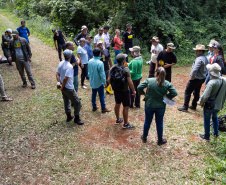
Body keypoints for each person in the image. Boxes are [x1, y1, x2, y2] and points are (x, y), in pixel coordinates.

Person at [138, 67, 177, 145]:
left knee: (147, 121)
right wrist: (166, 97)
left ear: (156, 73)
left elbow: (139, 87)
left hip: (149, 104)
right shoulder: (167, 83)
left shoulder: (149, 80)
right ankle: (160, 140)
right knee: (159, 123)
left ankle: (144, 137)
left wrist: (144, 94)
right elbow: (174, 93)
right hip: (161, 106)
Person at [108, 53, 136, 129]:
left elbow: (109, 80)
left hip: (116, 90)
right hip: (124, 90)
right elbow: (130, 82)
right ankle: (126, 124)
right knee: (126, 106)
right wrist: (133, 91)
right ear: (123, 60)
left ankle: (118, 119)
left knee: (117, 103)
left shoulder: (112, 68)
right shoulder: (125, 69)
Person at [199, 63, 226, 140]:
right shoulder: (224, 80)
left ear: (211, 73)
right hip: (218, 105)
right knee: (215, 118)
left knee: (207, 120)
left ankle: (206, 136)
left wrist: (200, 103)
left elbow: (205, 96)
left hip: (209, 105)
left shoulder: (211, 83)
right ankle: (216, 133)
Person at [56, 49, 84, 125]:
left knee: (66, 101)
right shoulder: (69, 66)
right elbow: (66, 78)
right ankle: (76, 118)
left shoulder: (61, 63)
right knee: (77, 102)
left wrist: (59, 84)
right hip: (68, 88)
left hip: (63, 87)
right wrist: (62, 86)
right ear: (71, 56)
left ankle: (68, 116)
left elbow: (57, 74)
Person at [178, 44, 208, 112]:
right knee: (197, 91)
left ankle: (185, 107)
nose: (196, 52)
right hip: (202, 79)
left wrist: (191, 77)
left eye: (197, 51)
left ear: (201, 51)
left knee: (187, 91)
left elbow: (195, 69)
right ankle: (194, 105)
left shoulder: (199, 59)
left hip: (195, 79)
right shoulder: (206, 58)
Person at [88, 48, 111, 113]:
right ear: (99, 54)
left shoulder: (90, 61)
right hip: (99, 82)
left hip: (92, 81)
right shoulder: (100, 63)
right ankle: (103, 108)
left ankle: (94, 106)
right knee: (101, 95)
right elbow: (102, 74)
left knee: (93, 94)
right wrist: (104, 82)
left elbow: (89, 72)